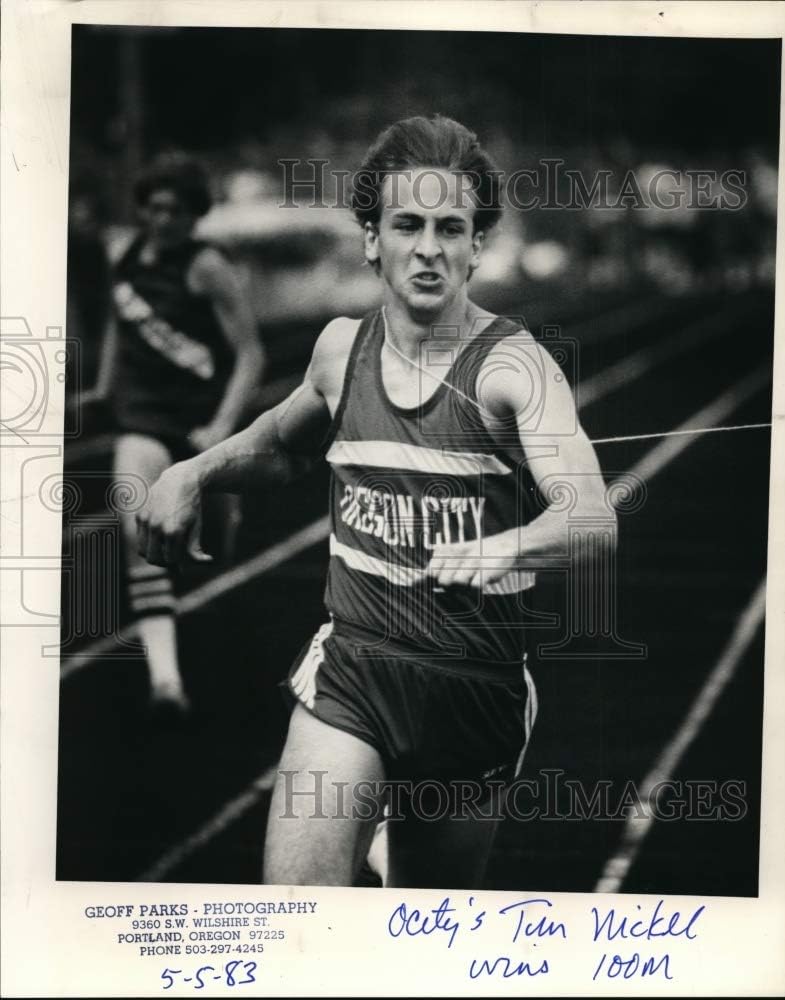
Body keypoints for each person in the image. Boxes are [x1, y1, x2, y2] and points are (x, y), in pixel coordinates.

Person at [136, 117, 612, 884]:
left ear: (476, 245)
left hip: (473, 689)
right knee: (295, 921)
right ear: (370, 237)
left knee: (417, 938)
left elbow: (590, 520)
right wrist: (194, 472)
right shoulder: (339, 350)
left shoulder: (514, 369)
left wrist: (503, 547)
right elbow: (276, 445)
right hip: (355, 670)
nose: (428, 247)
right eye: (407, 225)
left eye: (450, 227)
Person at [97, 152, 265, 714]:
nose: (163, 219)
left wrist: (222, 426)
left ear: (194, 215)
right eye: (154, 207)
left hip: (196, 428)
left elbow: (250, 354)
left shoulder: (207, 266)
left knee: (210, 549)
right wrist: (103, 390)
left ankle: (226, 511)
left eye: (175, 210)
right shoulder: (127, 260)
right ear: (142, 209)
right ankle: (165, 682)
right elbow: (119, 331)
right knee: (135, 527)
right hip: (142, 422)